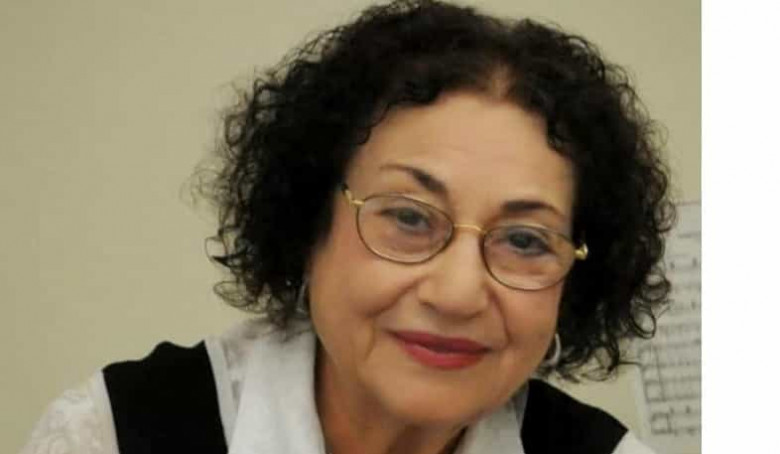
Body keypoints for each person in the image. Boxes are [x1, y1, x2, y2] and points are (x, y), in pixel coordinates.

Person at [21, 0, 674, 453]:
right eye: (409, 218)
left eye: (525, 241)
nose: (457, 293)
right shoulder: (108, 436)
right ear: (310, 225)